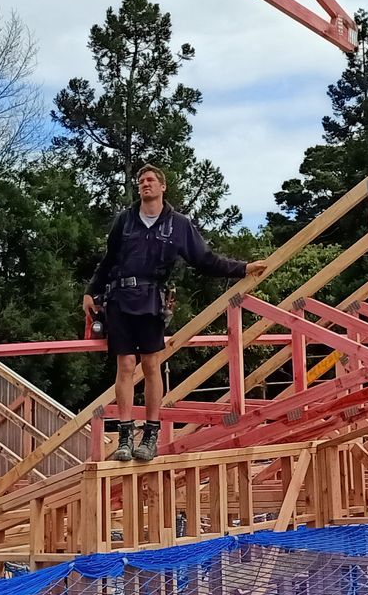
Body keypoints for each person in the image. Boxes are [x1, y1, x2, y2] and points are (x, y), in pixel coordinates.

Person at [84, 163, 270, 463]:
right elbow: (108, 260)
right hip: (119, 299)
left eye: (150, 180)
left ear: (163, 186)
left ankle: (150, 435)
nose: (145, 184)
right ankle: (125, 437)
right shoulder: (125, 220)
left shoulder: (178, 224)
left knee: (151, 365)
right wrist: (90, 291)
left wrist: (243, 268)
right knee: (125, 365)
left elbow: (205, 260)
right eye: (141, 181)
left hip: (151, 300)